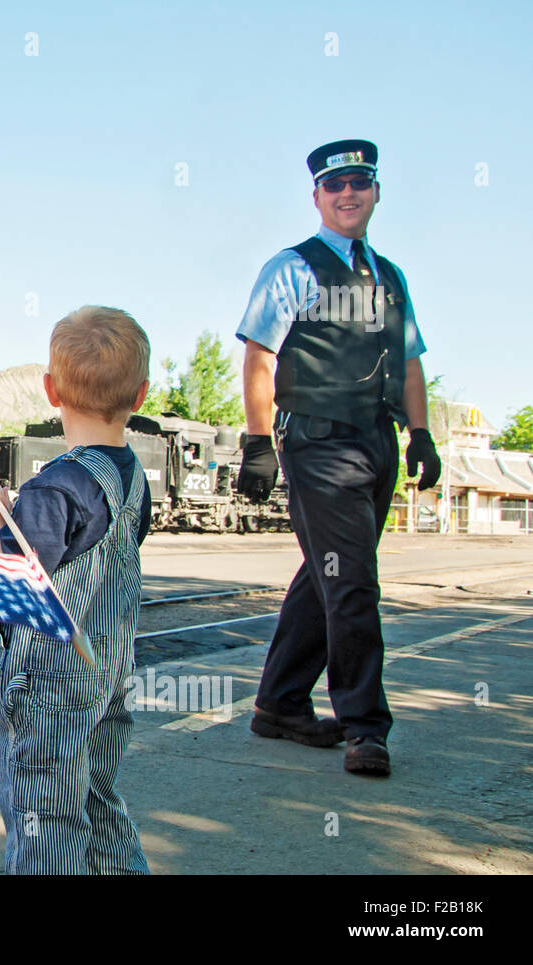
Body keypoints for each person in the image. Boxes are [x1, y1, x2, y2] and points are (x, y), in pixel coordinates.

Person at [234, 139, 441, 777]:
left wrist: (421, 434)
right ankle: (365, 727)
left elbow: (409, 362)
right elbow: (259, 358)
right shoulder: (292, 267)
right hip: (319, 444)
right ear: (317, 197)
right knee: (353, 583)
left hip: (376, 440)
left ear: (376, 191)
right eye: (335, 185)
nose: (347, 193)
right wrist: (258, 442)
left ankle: (279, 704)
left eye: (359, 181)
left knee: (328, 574)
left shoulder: (391, 277)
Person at [0, 305, 152, 874]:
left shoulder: (55, 488)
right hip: (106, 675)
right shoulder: (131, 477)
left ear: (50, 390)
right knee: (95, 800)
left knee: (45, 820)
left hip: (46, 688)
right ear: (140, 395)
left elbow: (13, 590)